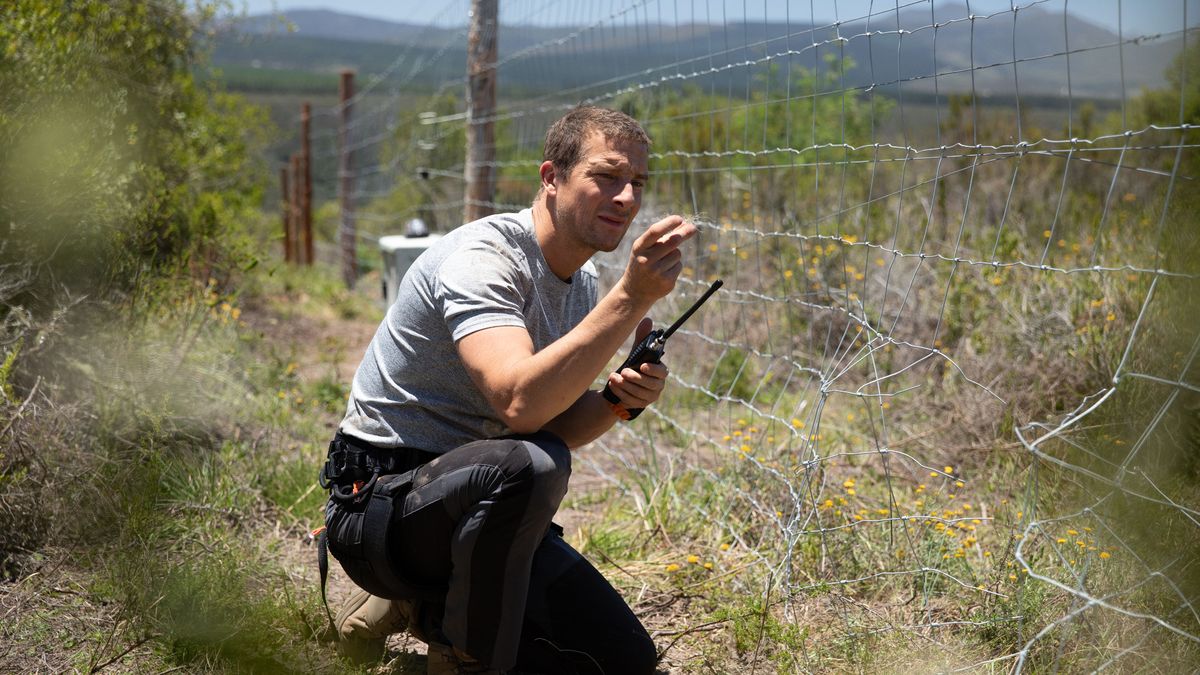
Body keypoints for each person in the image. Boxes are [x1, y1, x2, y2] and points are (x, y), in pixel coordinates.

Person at [320, 105, 696, 675]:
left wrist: (619, 401)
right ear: (552, 177)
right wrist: (632, 297)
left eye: (637, 183)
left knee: (624, 660)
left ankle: (422, 602)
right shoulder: (484, 258)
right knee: (529, 467)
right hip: (380, 505)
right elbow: (519, 405)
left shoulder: (581, 284)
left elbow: (552, 426)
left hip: (471, 507)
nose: (625, 198)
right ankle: (454, 650)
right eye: (606, 176)